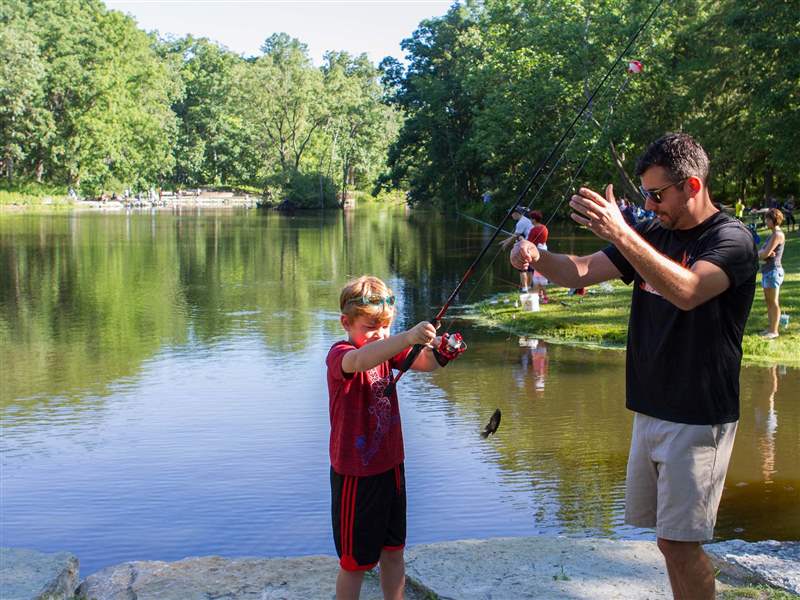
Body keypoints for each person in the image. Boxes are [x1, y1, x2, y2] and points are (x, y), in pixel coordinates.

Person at [511, 133, 757, 600]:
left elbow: (687, 291)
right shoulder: (655, 233)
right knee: (667, 542)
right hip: (651, 408)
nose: (649, 202)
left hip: (698, 414)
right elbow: (580, 270)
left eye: (656, 193)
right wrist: (534, 257)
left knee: (682, 544)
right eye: (644, 192)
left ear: (692, 185)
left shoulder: (731, 238)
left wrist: (622, 232)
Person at [326, 276, 465, 600]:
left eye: (385, 326)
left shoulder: (388, 350)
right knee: (354, 562)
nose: (380, 334)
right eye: (371, 326)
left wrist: (444, 351)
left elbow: (426, 362)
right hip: (356, 477)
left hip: (390, 469)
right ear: (346, 322)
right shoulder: (341, 354)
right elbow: (360, 361)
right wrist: (405, 337)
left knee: (393, 550)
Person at [758, 208, 785, 339]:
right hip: (767, 271)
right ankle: (770, 328)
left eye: (767, 219)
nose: (766, 221)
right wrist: (763, 254)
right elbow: (763, 253)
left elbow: (764, 254)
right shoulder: (772, 234)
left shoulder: (778, 235)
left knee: (773, 302)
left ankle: (774, 331)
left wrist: (762, 254)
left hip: (773, 271)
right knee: (769, 302)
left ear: (773, 220)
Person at [501, 206, 534, 291]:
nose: (511, 215)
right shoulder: (526, 220)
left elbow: (515, 236)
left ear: (516, 213)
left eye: (511, 213)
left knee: (522, 269)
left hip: (525, 247)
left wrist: (506, 244)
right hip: (531, 246)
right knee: (529, 268)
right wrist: (505, 241)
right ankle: (529, 287)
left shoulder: (520, 223)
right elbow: (516, 235)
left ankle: (524, 288)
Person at [526, 210, 550, 304]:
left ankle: (544, 298)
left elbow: (529, 243)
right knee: (540, 276)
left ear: (534, 219)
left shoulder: (534, 229)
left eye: (531, 218)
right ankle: (540, 297)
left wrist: (520, 239)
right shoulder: (544, 228)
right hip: (544, 251)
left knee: (538, 278)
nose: (530, 220)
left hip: (536, 254)